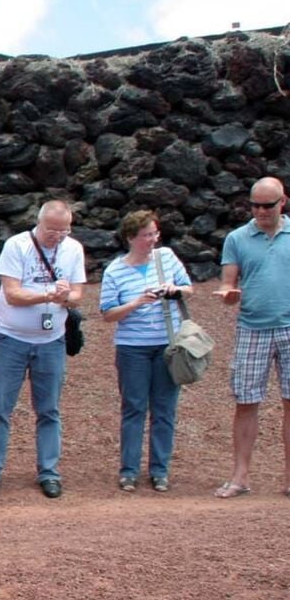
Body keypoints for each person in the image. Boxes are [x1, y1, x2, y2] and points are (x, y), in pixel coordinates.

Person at [0, 200, 85, 498]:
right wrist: (48, 296)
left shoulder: (73, 249)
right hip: (11, 338)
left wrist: (67, 298)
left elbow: (78, 293)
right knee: (0, 406)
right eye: (52, 230)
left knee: (49, 409)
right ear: (39, 223)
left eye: (64, 230)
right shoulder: (17, 246)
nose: (58, 236)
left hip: (51, 340)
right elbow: (12, 294)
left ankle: (49, 471)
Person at [99, 210, 192, 493]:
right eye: (146, 235)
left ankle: (159, 470)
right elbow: (108, 313)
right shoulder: (115, 271)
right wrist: (137, 302)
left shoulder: (167, 258)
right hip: (132, 349)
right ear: (131, 238)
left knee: (164, 409)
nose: (152, 240)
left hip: (167, 344)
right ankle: (129, 470)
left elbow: (189, 289)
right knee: (134, 407)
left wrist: (174, 290)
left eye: (154, 234)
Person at [211, 177, 290, 499]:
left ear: (282, 202)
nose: (259, 211)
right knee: (246, 402)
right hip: (252, 327)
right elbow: (228, 281)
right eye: (254, 205)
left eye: (266, 205)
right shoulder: (237, 238)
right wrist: (229, 295)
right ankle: (240, 475)